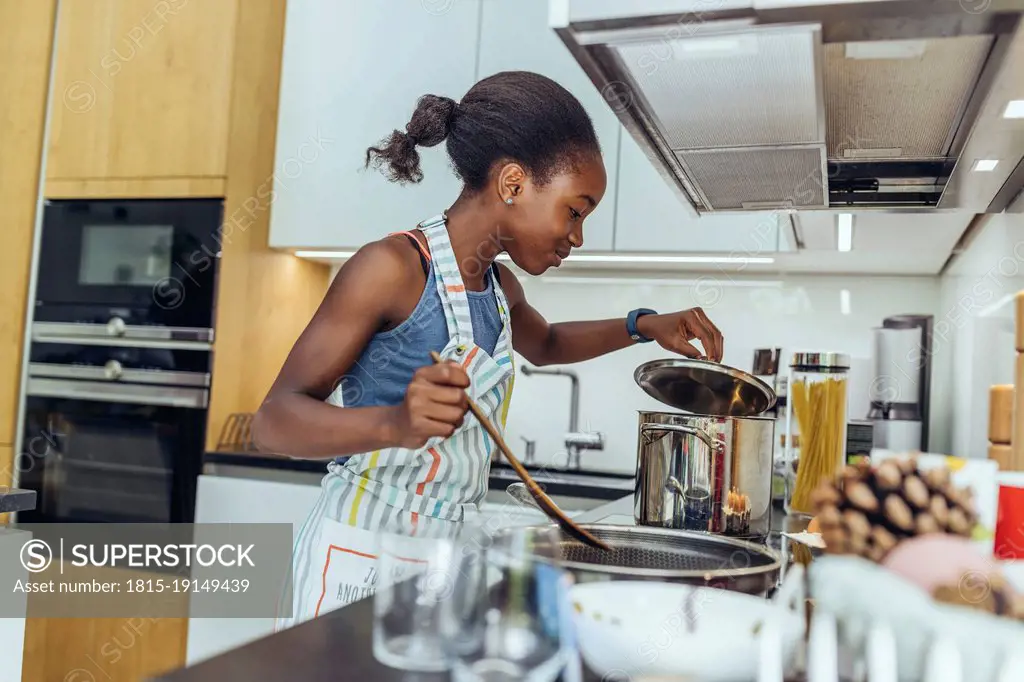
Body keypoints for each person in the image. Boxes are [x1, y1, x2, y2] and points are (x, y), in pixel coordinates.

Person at [256, 71, 724, 628]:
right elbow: (272, 422)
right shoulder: (392, 269)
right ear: (512, 183)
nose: (577, 237)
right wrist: (395, 424)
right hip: (359, 552)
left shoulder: (500, 291)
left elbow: (547, 344)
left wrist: (643, 324)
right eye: (574, 211)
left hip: (439, 559)